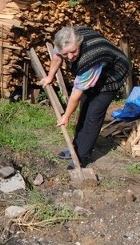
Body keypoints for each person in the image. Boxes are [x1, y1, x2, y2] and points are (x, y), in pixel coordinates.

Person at [39, 26, 129, 169]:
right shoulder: (63, 42)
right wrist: (50, 77)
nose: (69, 57)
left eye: (73, 52)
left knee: (93, 115)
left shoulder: (89, 59)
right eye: (66, 53)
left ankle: (82, 157)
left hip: (112, 74)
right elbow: (56, 57)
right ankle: (75, 149)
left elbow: (75, 95)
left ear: (79, 43)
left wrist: (66, 116)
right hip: (94, 73)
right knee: (84, 108)